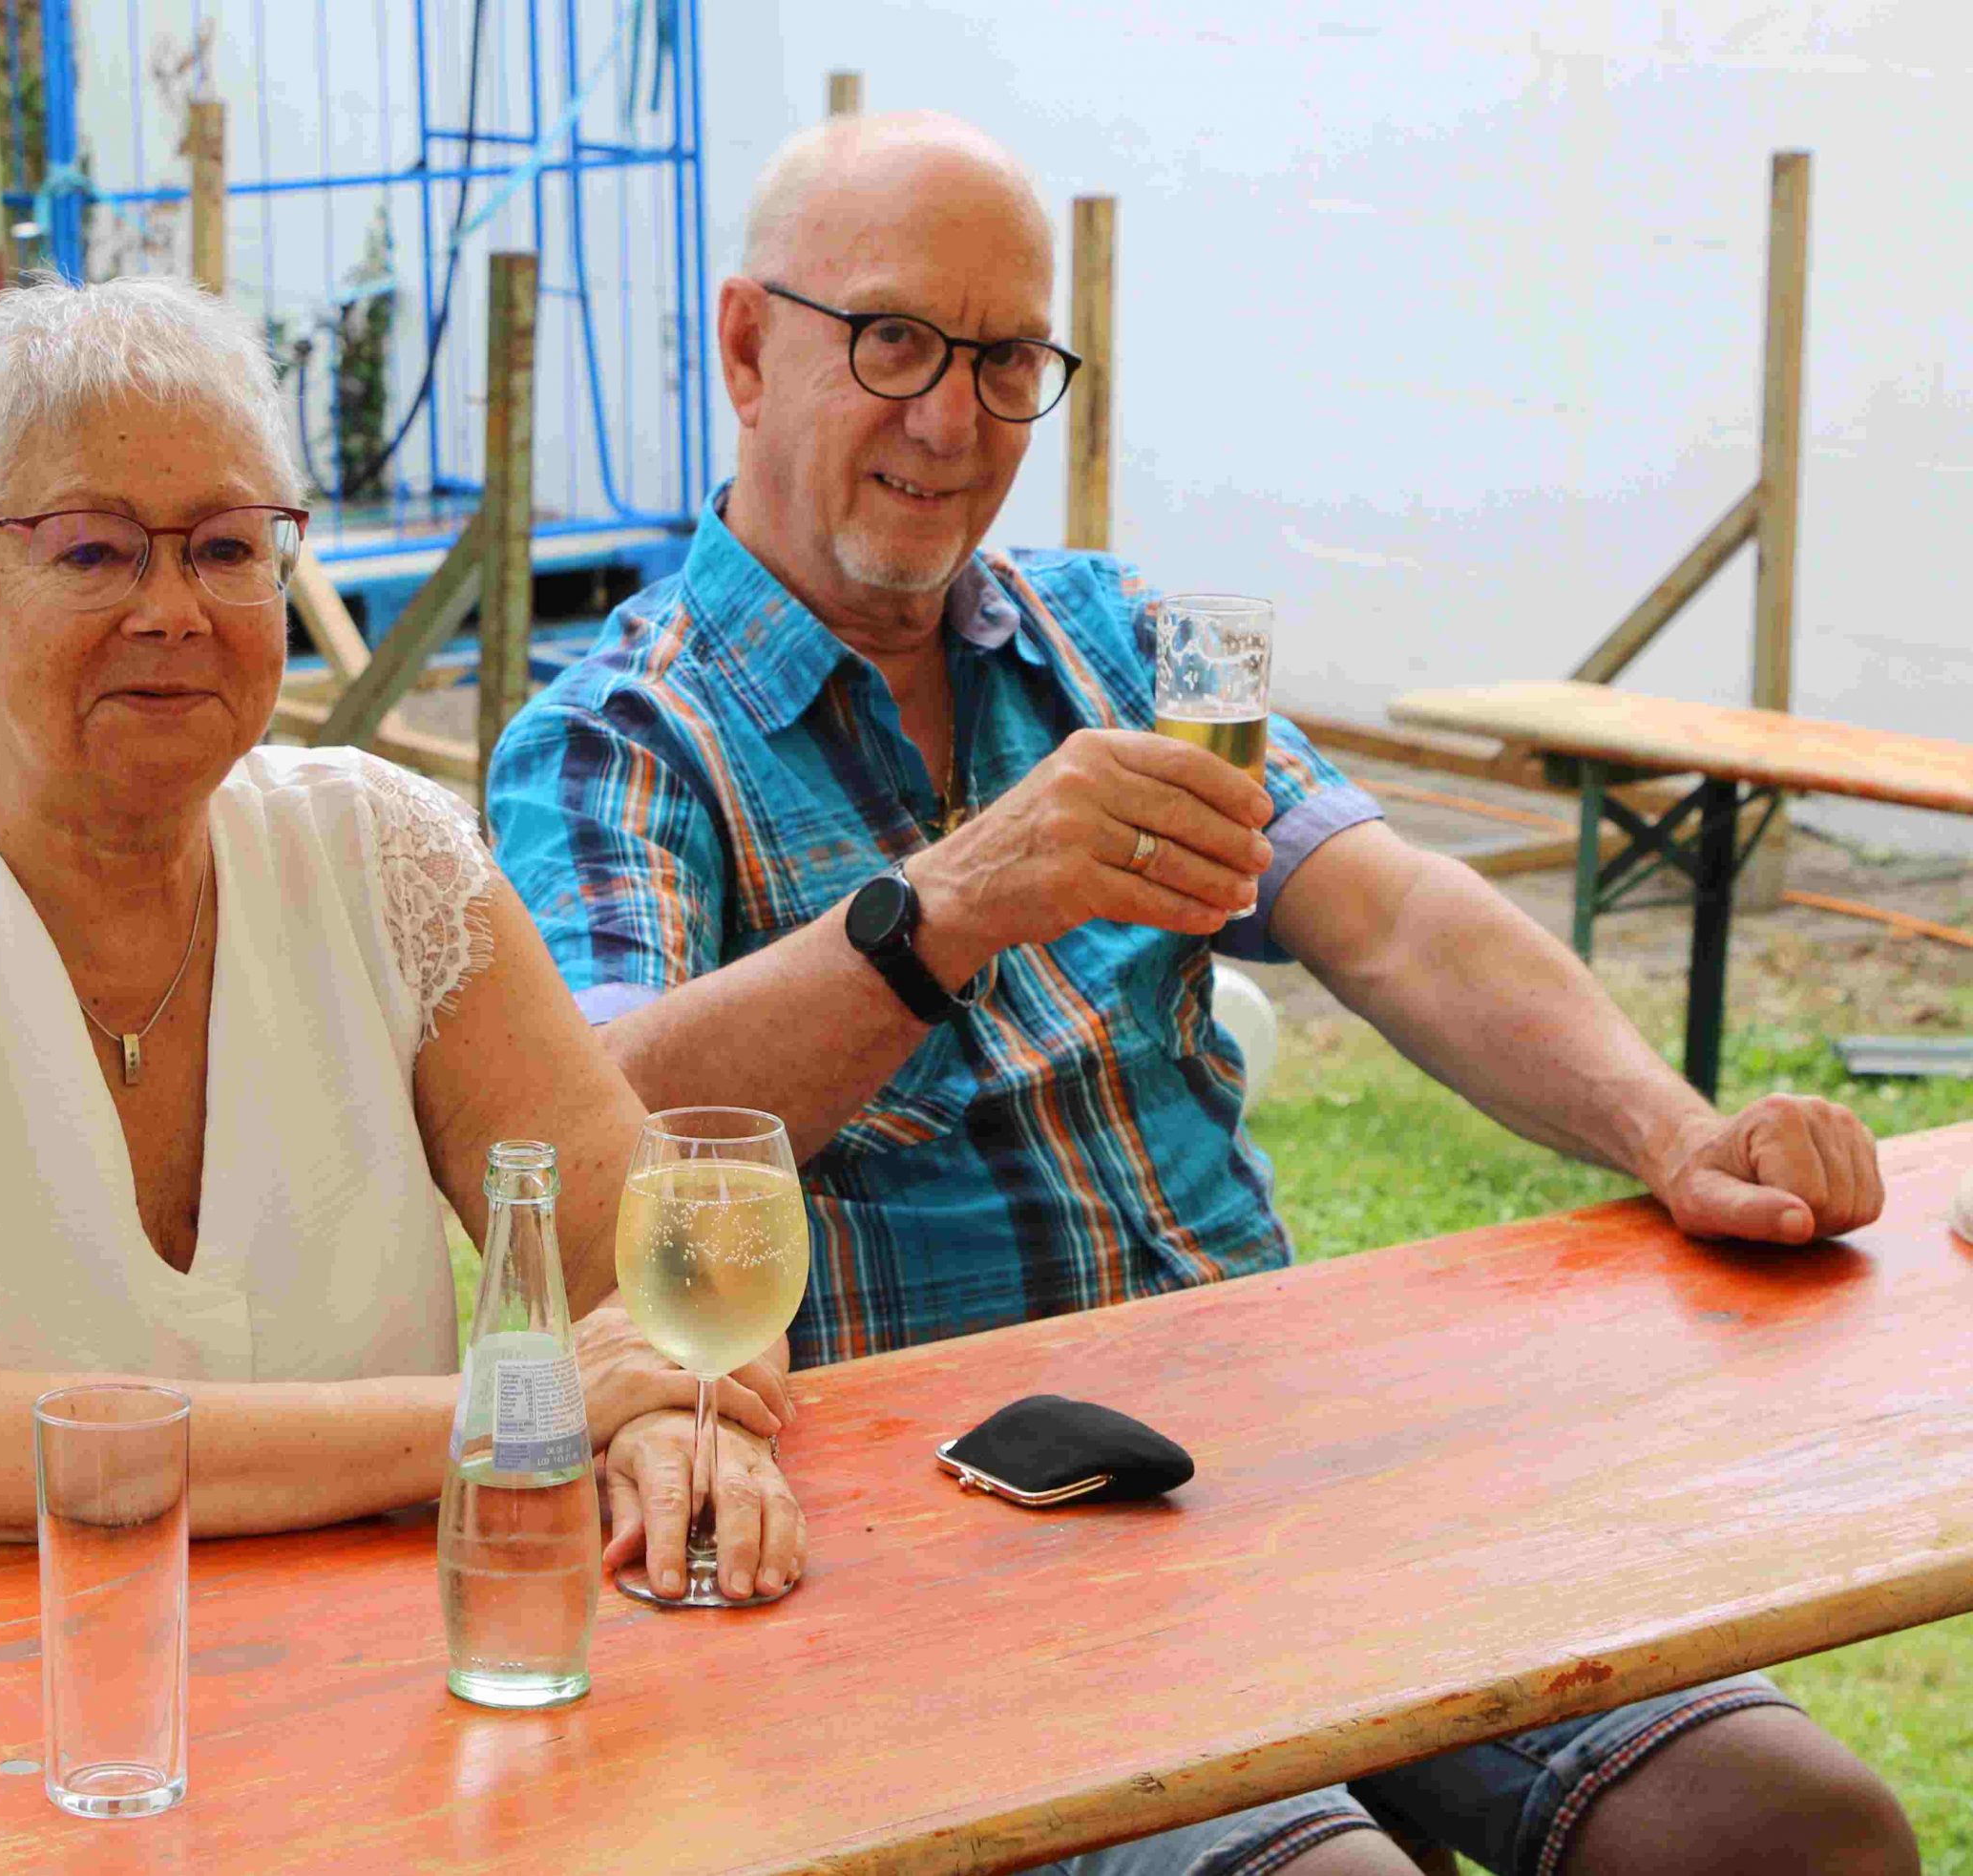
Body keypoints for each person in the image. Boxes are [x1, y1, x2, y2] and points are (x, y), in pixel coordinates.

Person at [486, 114, 1916, 1876]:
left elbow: (1393, 917)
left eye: (1007, 359)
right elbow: (603, 1129)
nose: (953, 420)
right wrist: (948, 906)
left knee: (1797, 1828)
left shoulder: (1110, 638)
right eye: (894, 342)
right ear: (744, 347)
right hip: (942, 1527)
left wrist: (1675, 1131)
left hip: (1280, 1443)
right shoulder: (618, 737)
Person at [0, 276, 804, 1631]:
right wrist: (524, 1407)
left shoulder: (386, 857)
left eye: (224, 546)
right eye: (93, 551)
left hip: (284, 1680)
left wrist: (668, 1424)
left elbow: (669, 1275)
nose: (173, 609)